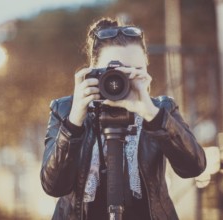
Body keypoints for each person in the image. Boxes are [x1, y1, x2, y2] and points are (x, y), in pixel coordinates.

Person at [40, 17, 206, 220]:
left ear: (146, 68)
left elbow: (194, 167)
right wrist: (74, 122)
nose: (122, 81)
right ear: (93, 69)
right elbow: (53, 186)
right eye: (115, 71)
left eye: (134, 71)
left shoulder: (160, 109)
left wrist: (151, 114)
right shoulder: (65, 110)